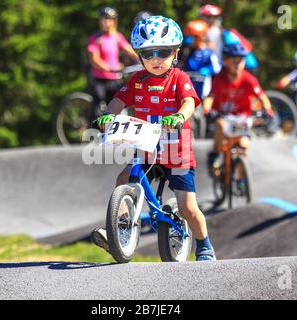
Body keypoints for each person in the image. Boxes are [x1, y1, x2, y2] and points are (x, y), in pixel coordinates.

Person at [91, 15, 216, 261]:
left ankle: (204, 246)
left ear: (175, 53)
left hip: (176, 152)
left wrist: (179, 116)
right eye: (148, 54)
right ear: (139, 56)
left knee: (187, 208)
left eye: (163, 52)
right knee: (123, 179)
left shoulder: (179, 78)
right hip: (146, 147)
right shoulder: (137, 80)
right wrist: (107, 116)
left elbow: (190, 102)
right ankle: (123, 226)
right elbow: (118, 100)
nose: (156, 59)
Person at [202, 43, 274, 166]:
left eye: (241, 61)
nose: (238, 65)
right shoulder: (219, 79)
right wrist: (207, 110)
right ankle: (216, 155)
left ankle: (241, 180)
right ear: (225, 62)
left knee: (244, 146)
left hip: (242, 117)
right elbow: (210, 97)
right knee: (220, 125)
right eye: (234, 61)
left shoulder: (249, 79)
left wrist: (268, 110)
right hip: (224, 116)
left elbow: (262, 96)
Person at [87, 6, 139, 113]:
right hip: (99, 78)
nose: (105, 22)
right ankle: (93, 128)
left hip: (113, 79)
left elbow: (130, 51)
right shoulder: (96, 38)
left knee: (117, 105)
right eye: (103, 19)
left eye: (108, 19)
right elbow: (94, 60)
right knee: (97, 107)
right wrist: (109, 68)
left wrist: (143, 61)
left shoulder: (117, 37)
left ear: (114, 21)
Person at [183, 19, 222, 99]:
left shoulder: (208, 53)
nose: (190, 40)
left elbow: (217, 67)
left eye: (193, 37)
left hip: (202, 90)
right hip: (187, 90)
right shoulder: (186, 52)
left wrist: (207, 69)